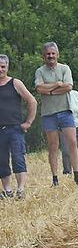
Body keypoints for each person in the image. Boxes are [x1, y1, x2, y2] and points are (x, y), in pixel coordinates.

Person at [35, 42, 78, 186]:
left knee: (73, 142)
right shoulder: (40, 71)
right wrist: (57, 85)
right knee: (53, 145)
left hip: (65, 110)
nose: (50, 56)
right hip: (48, 113)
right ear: (43, 56)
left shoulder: (65, 68)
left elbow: (69, 87)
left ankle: (77, 175)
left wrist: (49, 90)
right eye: (48, 54)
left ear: (57, 55)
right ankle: (55, 178)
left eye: (53, 53)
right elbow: (39, 89)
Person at [0, 55, 37, 200]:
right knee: (2, 161)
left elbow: (32, 101)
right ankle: (7, 191)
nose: (0, 69)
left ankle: (20, 190)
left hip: (15, 128)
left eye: (3, 66)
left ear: (7, 67)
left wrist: (28, 122)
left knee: (18, 158)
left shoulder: (15, 83)